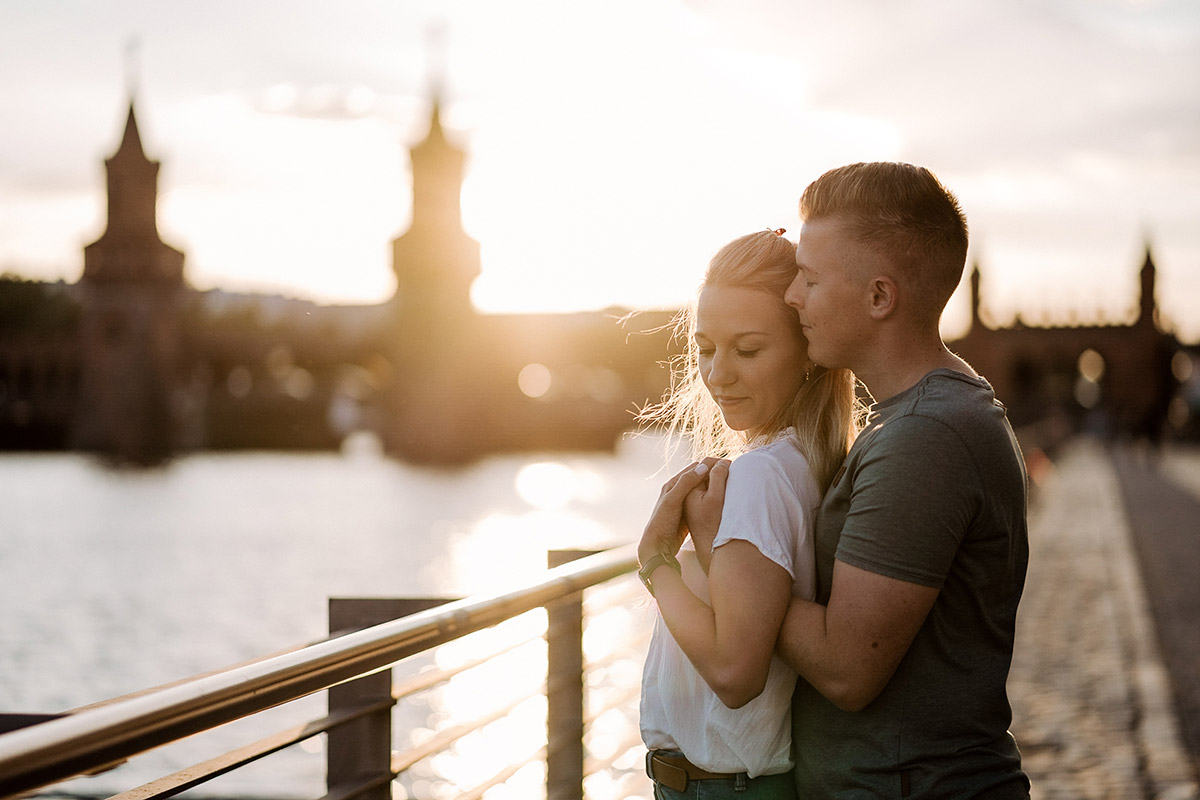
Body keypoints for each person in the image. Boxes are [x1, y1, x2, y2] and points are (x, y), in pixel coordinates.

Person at [684, 163, 1032, 798]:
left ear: (879, 297)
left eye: (810, 280)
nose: (793, 297)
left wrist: (717, 554)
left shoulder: (925, 438)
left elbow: (848, 671)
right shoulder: (927, 416)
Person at [636, 229, 858, 799]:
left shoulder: (759, 476)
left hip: (720, 789)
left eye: (748, 349)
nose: (717, 374)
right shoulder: (804, 464)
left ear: (807, 352)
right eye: (706, 348)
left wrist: (655, 563)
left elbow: (736, 673)